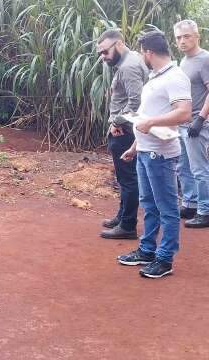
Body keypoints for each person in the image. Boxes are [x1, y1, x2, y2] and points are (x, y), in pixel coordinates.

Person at [117, 30, 192, 278]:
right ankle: (147, 250)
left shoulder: (175, 77)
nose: (142, 56)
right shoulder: (155, 77)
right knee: (149, 204)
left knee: (167, 208)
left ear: (148, 53)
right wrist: (134, 146)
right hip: (146, 152)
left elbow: (184, 113)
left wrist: (149, 125)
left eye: (142, 53)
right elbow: (149, 115)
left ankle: (164, 258)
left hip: (161, 155)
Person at [96, 29, 149, 239]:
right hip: (125, 128)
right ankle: (122, 216)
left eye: (105, 52)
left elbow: (136, 102)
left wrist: (117, 121)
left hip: (124, 131)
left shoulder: (128, 67)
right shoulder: (129, 61)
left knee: (127, 179)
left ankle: (127, 226)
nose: (103, 57)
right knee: (124, 177)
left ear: (118, 44)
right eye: (100, 53)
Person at [174, 19, 209, 228]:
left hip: (199, 123)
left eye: (187, 36)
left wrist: (201, 118)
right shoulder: (184, 61)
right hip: (184, 123)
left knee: (199, 168)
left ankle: (205, 210)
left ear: (197, 36)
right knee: (183, 166)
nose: (182, 41)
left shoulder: (204, 59)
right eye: (178, 37)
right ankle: (190, 203)